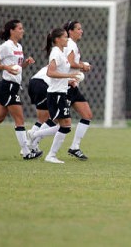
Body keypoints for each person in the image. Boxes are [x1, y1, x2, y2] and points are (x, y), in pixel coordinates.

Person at [0, 19, 42, 160]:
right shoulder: (5, 46)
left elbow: (16, 68)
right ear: (12, 30)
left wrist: (25, 64)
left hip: (13, 86)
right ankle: (26, 152)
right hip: (8, 86)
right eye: (20, 28)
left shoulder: (19, 47)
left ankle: (26, 151)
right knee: (19, 118)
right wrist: (5, 67)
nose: (22, 30)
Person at [43, 28, 81, 164]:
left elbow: (58, 73)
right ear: (57, 39)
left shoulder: (61, 53)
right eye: (65, 37)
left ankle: (35, 136)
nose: (67, 39)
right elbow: (50, 72)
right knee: (66, 125)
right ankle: (51, 155)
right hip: (56, 94)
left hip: (61, 92)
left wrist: (68, 80)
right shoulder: (55, 53)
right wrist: (69, 75)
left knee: (65, 125)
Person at [63, 20, 93, 160]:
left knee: (87, 114)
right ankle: (33, 137)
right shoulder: (69, 43)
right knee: (56, 122)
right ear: (70, 31)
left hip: (73, 86)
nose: (81, 31)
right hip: (66, 86)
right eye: (79, 29)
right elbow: (69, 63)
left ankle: (75, 147)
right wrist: (83, 66)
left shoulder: (72, 44)